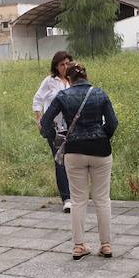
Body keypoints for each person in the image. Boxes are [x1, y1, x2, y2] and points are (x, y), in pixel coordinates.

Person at [40, 63, 119, 260]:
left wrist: (56, 137)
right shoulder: (100, 93)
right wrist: (102, 136)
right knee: (102, 198)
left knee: (77, 200)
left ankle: (78, 246)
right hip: (100, 149)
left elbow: (45, 122)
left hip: (74, 150)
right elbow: (113, 122)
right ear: (86, 76)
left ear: (68, 79)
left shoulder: (62, 96)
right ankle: (106, 245)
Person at [33, 50, 73, 213]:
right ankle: (66, 198)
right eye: (61, 64)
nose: (65, 67)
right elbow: (38, 99)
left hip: (72, 127)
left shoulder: (74, 80)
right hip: (55, 129)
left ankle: (76, 193)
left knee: (73, 161)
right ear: (56, 66)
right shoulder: (50, 81)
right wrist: (40, 119)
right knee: (60, 161)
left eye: (67, 63)